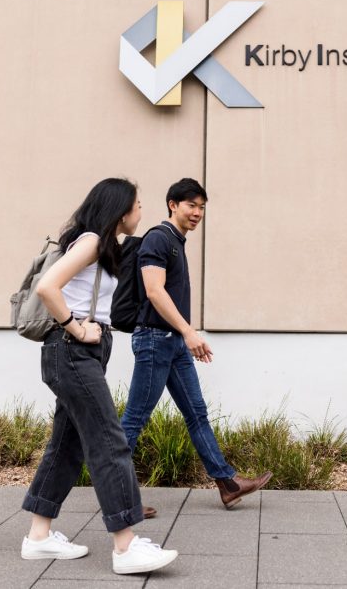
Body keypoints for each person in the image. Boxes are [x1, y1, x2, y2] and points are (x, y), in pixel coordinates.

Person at [20, 178, 178, 575]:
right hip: (72, 351)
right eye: (138, 205)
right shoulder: (91, 240)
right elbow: (47, 287)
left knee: (67, 445)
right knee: (110, 441)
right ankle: (126, 547)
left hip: (80, 353)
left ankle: (38, 537)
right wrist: (76, 328)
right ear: (120, 209)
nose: (141, 211)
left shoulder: (102, 246)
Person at [121, 178, 272, 509]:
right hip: (155, 340)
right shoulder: (159, 239)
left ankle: (228, 483)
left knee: (196, 414)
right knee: (135, 419)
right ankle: (114, 495)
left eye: (202, 207)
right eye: (191, 205)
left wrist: (183, 335)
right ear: (173, 204)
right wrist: (189, 332)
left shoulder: (177, 241)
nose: (197, 212)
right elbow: (154, 291)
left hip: (172, 343)